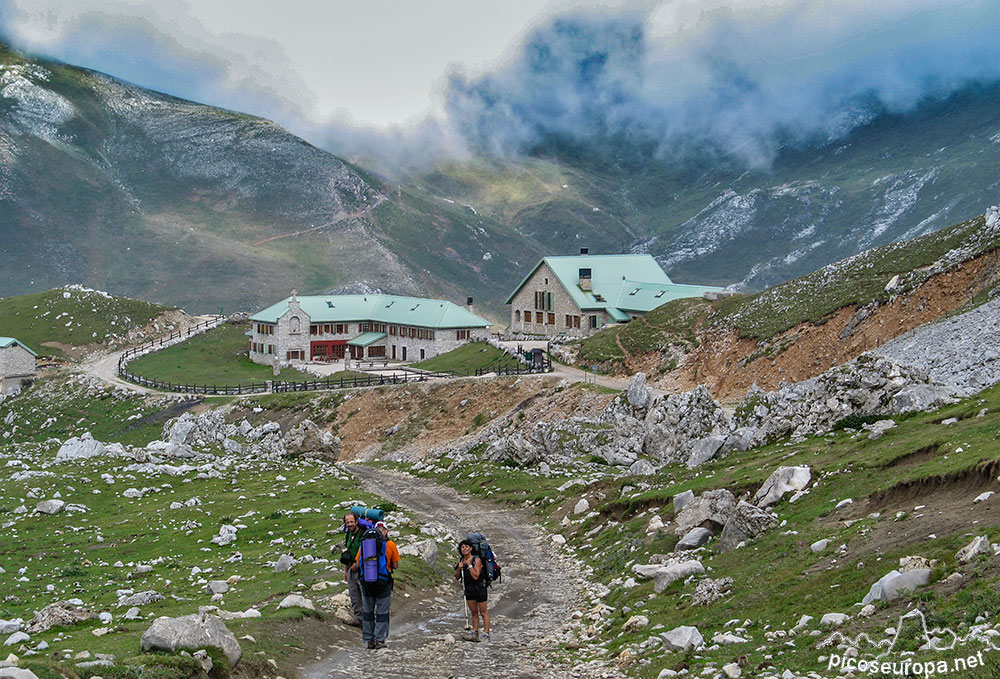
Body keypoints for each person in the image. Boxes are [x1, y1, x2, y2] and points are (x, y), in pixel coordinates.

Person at [361, 520, 400, 649]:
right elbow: (395, 565)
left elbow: (357, 563)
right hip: (383, 581)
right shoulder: (390, 544)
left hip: (366, 582)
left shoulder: (365, 544)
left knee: (368, 611)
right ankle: (380, 639)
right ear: (385, 531)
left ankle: (369, 639)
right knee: (382, 611)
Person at [454, 539, 490, 642]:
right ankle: (475, 631)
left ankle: (486, 633)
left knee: (483, 611)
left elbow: (476, 575)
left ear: (471, 548)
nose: (464, 549)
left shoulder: (476, 560)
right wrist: (459, 568)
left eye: (466, 547)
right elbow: (456, 577)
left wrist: (469, 565)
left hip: (480, 588)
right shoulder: (461, 561)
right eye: (462, 547)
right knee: (474, 612)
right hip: (469, 588)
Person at [341, 512, 364, 627]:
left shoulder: (363, 533)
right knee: (354, 595)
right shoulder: (348, 535)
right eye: (347, 522)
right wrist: (346, 571)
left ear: (356, 521)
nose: (350, 524)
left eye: (351, 522)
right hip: (351, 568)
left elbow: (366, 550)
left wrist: (358, 563)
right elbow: (349, 552)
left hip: (363, 569)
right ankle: (358, 619)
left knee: (364, 595)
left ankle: (369, 620)